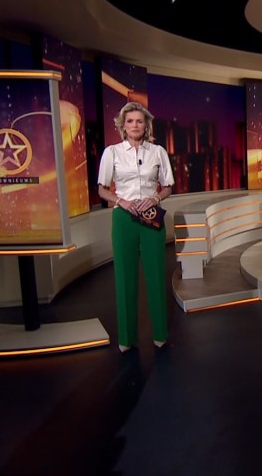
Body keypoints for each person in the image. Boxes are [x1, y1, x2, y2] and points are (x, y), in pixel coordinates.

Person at [97, 101, 174, 352]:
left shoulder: (158, 152)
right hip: (123, 217)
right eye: (130, 121)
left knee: (156, 274)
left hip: (151, 215)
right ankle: (127, 338)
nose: (135, 125)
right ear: (123, 125)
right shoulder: (112, 152)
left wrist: (155, 198)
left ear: (146, 125)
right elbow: (102, 189)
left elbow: (168, 186)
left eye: (139, 121)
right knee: (124, 276)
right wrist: (121, 201)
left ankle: (160, 333)